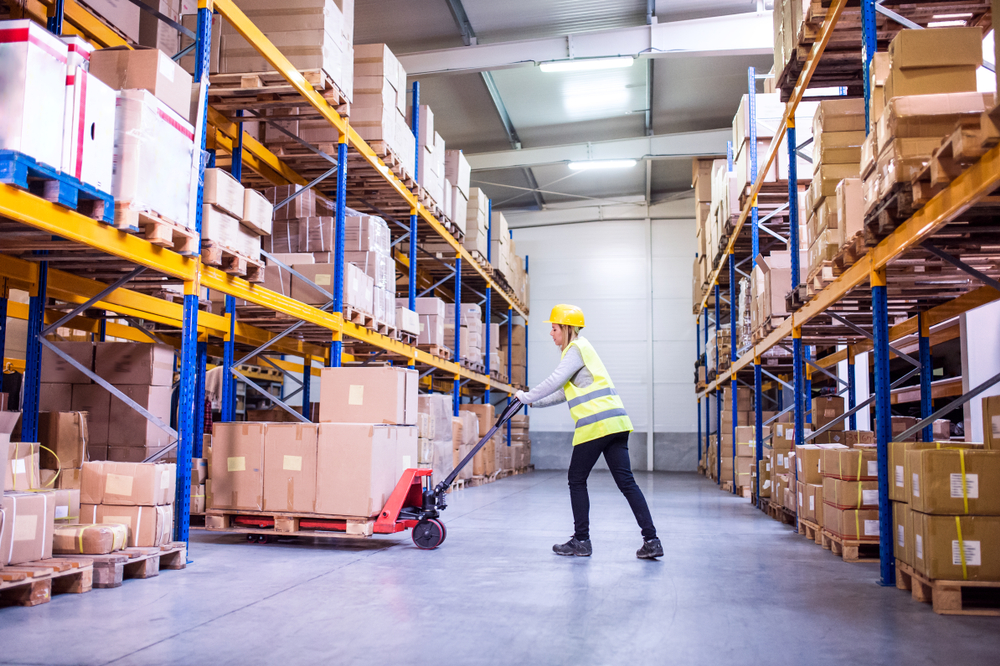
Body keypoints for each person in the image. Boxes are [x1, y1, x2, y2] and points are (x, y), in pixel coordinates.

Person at [516, 304, 662, 560]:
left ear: (566, 328)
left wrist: (526, 395)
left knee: (576, 479)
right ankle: (652, 540)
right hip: (616, 423)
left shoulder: (576, 349)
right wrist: (532, 403)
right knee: (627, 483)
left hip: (596, 425)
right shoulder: (581, 352)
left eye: (553, 328)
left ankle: (581, 540)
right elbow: (563, 391)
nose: (551, 334)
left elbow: (554, 380)